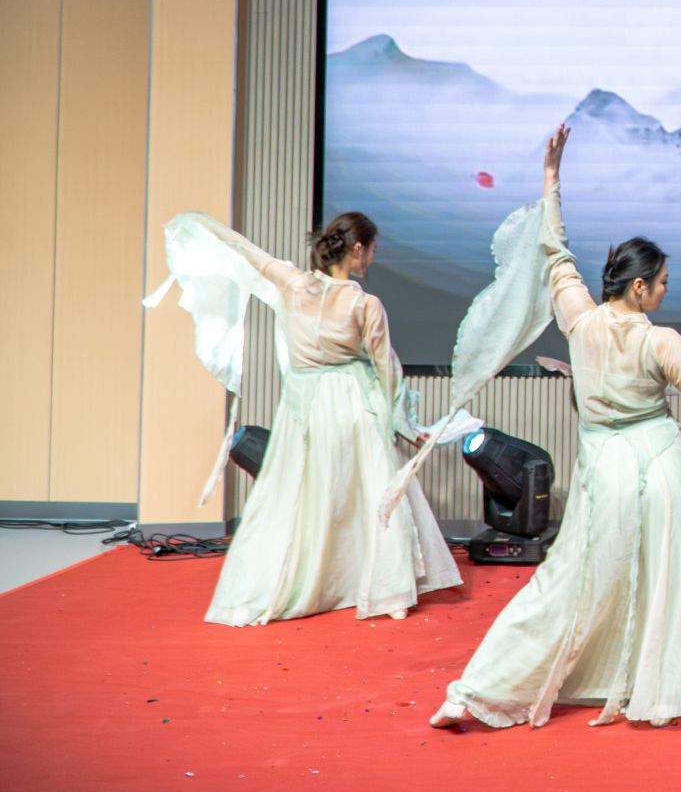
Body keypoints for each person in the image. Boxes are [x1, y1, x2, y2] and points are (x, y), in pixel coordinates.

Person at [431, 125, 681, 729]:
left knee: (569, 581)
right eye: (661, 282)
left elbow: (556, 255)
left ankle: (478, 688)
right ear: (639, 286)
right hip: (658, 467)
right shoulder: (662, 341)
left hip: (606, 472)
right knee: (659, 580)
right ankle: (653, 684)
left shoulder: (579, 322)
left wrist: (551, 180)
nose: (665, 290)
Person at [147, 208, 459, 625]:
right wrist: (403, 424)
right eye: (372, 250)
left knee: (304, 494)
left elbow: (247, 252)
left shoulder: (293, 284)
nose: (372, 258)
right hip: (351, 402)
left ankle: (310, 580)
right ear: (358, 249)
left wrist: (200, 225)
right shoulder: (364, 304)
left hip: (305, 408)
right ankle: (385, 589)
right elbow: (387, 371)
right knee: (366, 494)